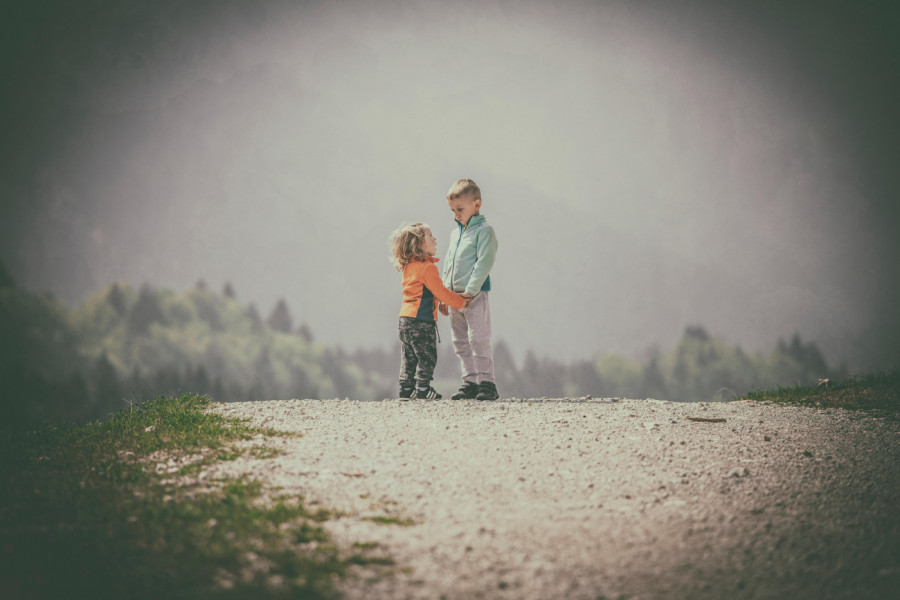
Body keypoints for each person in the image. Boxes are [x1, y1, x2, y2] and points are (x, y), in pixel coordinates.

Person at [389, 222, 469, 399]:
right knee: (427, 356)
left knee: (409, 356)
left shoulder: (409, 266)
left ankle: (406, 388)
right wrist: (461, 303)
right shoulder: (427, 267)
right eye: (430, 235)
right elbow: (439, 291)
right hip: (421, 320)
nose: (435, 238)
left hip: (404, 319)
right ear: (418, 244)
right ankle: (423, 389)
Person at [438, 179, 500, 401]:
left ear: (477, 204)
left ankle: (487, 382)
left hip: (474, 297)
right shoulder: (456, 234)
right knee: (460, 341)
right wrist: (444, 295)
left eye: (460, 209)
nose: (456, 214)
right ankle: (470, 381)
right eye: (452, 210)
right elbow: (448, 264)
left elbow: (484, 262)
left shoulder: (484, 231)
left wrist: (472, 290)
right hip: (455, 299)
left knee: (478, 338)